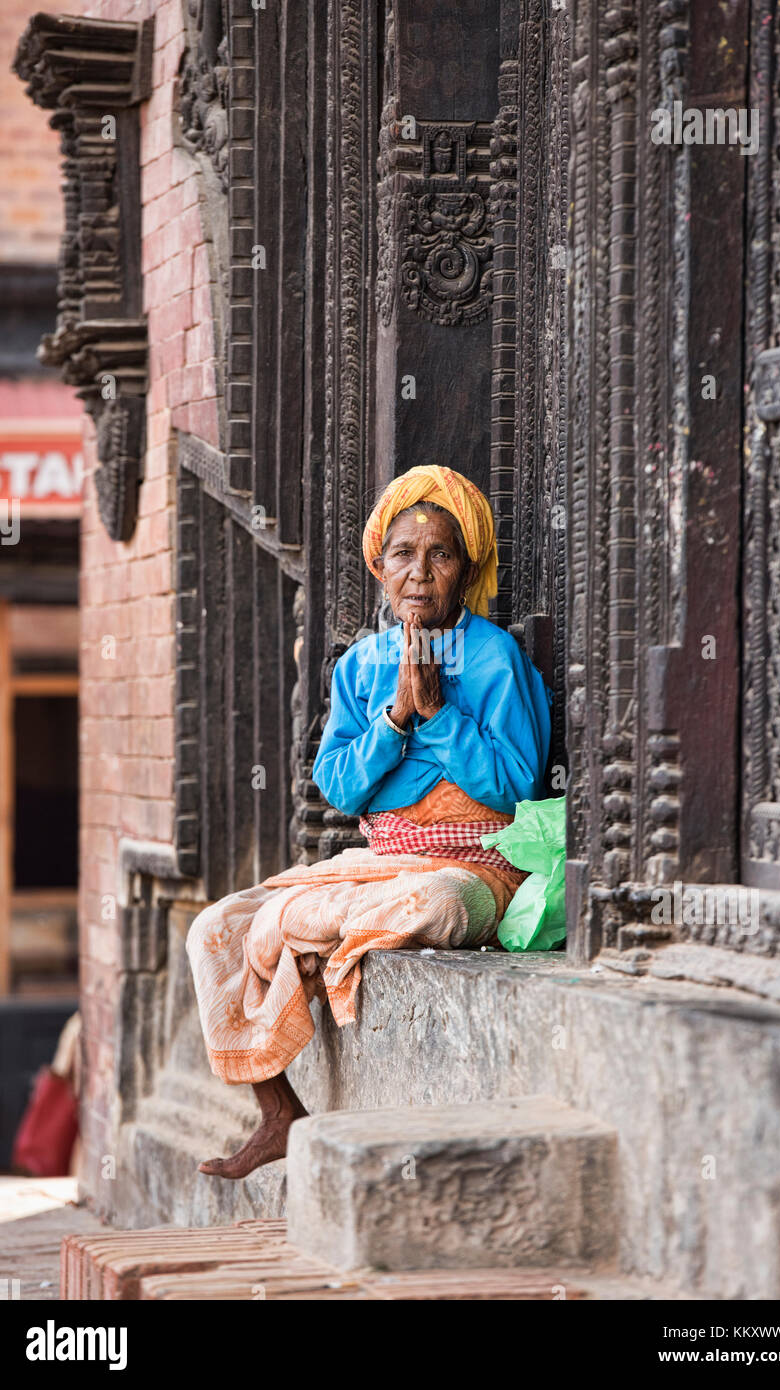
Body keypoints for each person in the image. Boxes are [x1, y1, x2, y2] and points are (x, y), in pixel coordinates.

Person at [186, 465, 553, 1178]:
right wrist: (393, 718)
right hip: (375, 865)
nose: (419, 573)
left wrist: (441, 715)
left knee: (435, 904)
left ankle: (331, 931)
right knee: (215, 928)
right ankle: (277, 1111)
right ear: (378, 566)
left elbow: (515, 789)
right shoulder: (360, 665)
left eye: (440, 554)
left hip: (475, 868)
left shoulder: (496, 656)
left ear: (465, 567)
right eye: (403, 555)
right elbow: (340, 788)